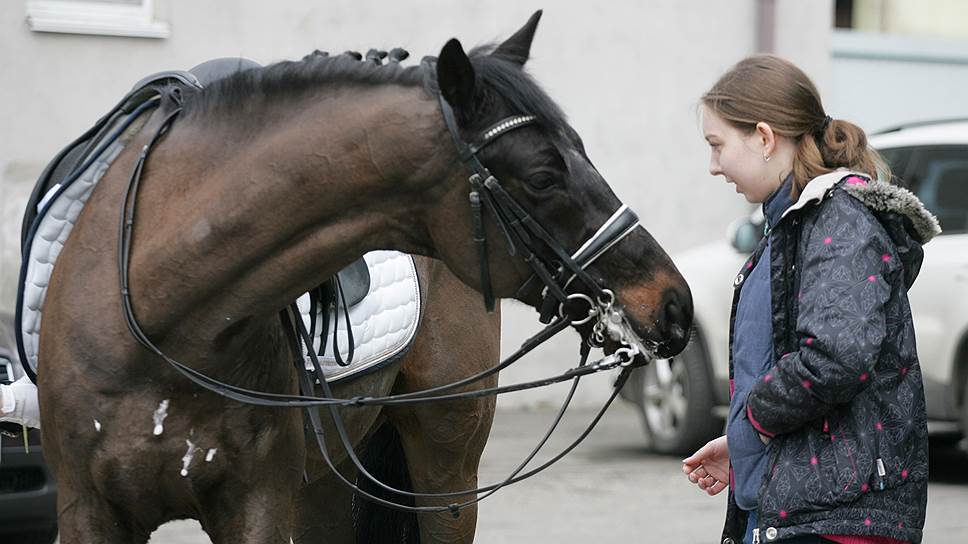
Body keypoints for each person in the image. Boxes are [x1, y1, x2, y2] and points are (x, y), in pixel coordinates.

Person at [682, 55, 938, 544]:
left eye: (718, 145)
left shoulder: (840, 221)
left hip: (837, 523)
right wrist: (741, 447)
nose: (713, 166)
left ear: (763, 137)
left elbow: (836, 357)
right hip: (799, 512)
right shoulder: (794, 224)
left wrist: (754, 422)